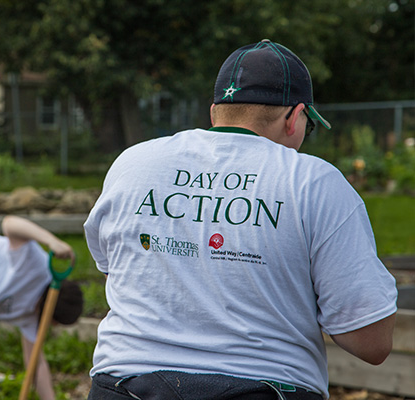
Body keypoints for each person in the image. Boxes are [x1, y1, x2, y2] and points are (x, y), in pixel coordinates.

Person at [83, 39, 397, 400]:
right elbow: (371, 342)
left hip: (125, 385)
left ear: (215, 112)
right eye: (309, 128)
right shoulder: (315, 182)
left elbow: (116, 270)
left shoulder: (134, 164)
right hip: (264, 388)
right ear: (295, 118)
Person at [0, 215, 84, 400]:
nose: (52, 327)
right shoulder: (35, 265)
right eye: (55, 322)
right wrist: (52, 241)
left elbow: (36, 363)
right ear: (51, 311)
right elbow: (10, 224)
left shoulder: (31, 317)